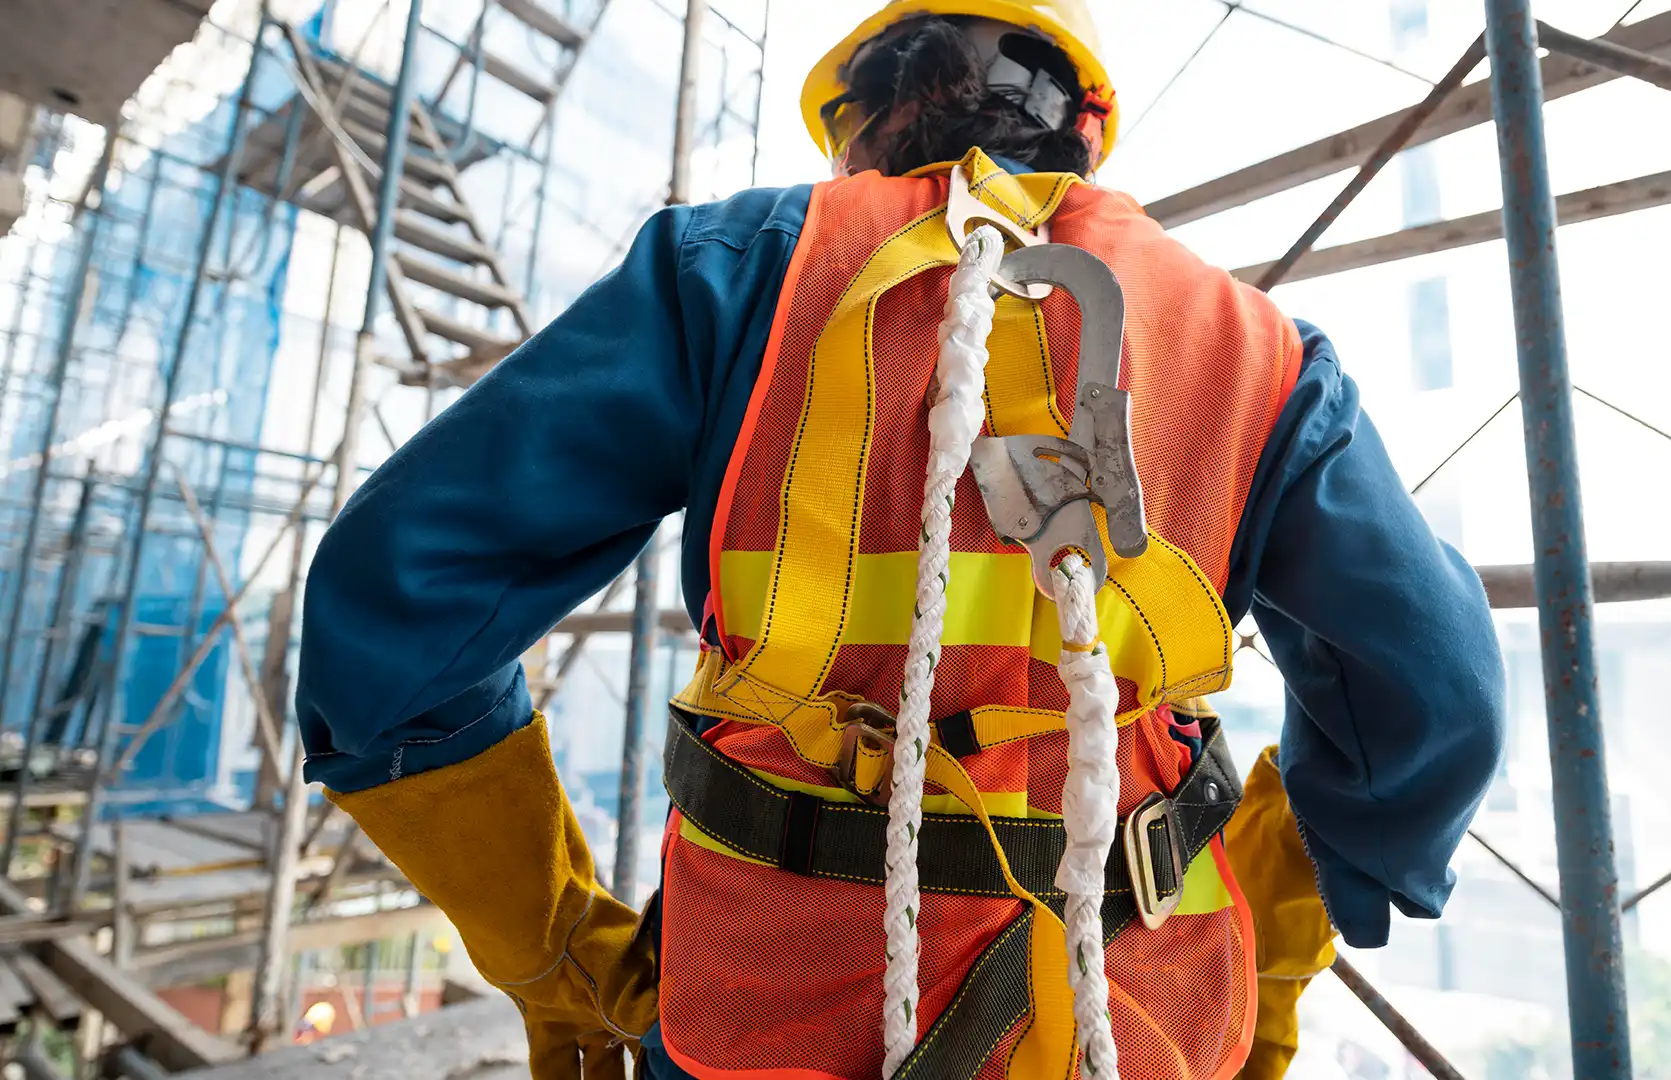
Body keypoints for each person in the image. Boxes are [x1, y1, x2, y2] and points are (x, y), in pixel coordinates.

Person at [295, 2, 1505, 1077]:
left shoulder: (738, 276)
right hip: (1144, 1022)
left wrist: (551, 942)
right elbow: (1436, 693)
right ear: (1082, 126)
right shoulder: (1249, 349)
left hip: (760, 1016)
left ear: (864, 123)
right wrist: (1283, 933)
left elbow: (394, 598)